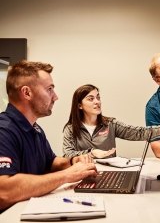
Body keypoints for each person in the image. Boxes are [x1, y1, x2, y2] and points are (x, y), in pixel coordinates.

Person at [0, 61, 97, 211]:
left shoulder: (35, 128)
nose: (56, 97)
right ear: (27, 93)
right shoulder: (3, 131)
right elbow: (4, 190)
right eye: (49, 89)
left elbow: (50, 162)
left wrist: (72, 161)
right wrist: (67, 175)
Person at [62, 84, 160, 158]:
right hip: (82, 175)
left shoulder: (110, 124)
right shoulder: (71, 129)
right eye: (91, 99)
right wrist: (91, 153)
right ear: (79, 106)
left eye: (98, 97)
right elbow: (67, 155)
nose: (97, 101)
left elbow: (140, 133)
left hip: (109, 174)